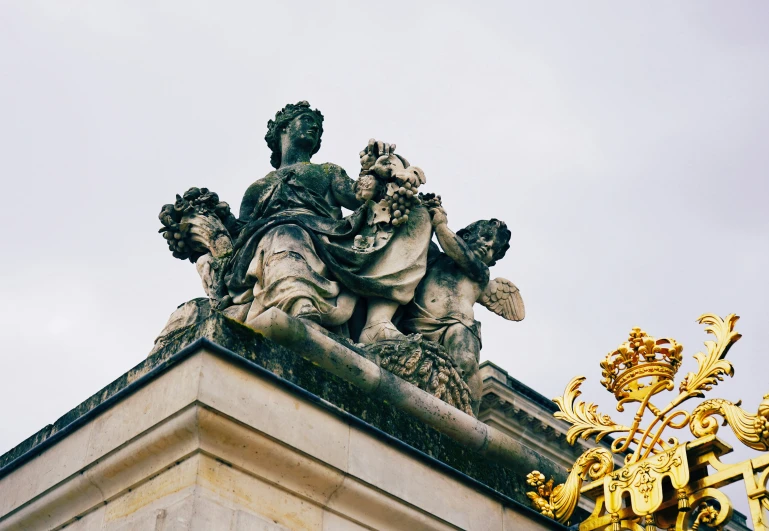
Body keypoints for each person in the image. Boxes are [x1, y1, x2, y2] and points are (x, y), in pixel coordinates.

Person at [224, 102, 433, 343]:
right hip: (277, 235)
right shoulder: (257, 188)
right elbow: (240, 236)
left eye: (318, 126)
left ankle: (370, 320)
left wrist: (380, 164)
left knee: (415, 216)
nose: (314, 127)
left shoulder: (326, 172)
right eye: (305, 119)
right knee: (285, 232)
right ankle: (296, 301)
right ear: (283, 128)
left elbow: (361, 196)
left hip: (326, 237)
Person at [400, 206, 522, 412]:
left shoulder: (480, 271)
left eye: (493, 248)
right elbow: (413, 235)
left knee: (464, 362)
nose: (488, 245)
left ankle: (469, 410)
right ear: (465, 235)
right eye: (485, 237)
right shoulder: (435, 258)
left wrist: (439, 224)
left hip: (458, 326)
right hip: (417, 321)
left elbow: (456, 250)